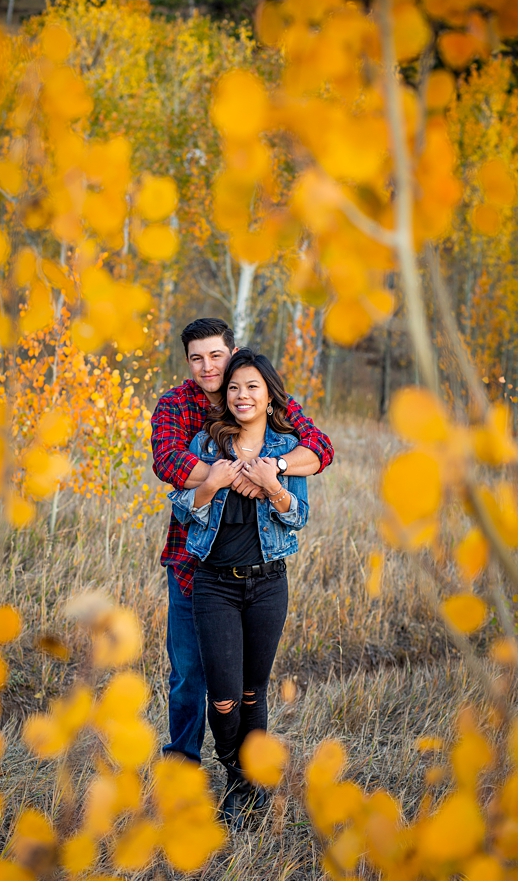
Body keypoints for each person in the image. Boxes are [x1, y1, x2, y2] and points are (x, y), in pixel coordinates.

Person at [151, 318, 332, 766]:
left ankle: (243, 774)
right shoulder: (177, 407)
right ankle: (183, 764)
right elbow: (170, 465)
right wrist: (226, 476)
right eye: (197, 358)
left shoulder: (261, 396)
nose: (207, 366)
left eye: (216, 355)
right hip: (193, 561)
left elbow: (319, 449)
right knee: (190, 673)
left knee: (248, 684)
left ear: (232, 353)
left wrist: (273, 473)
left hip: (259, 570)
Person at [167, 350, 310, 826]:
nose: (241, 395)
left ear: (269, 396)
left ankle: (243, 785)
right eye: (234, 388)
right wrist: (214, 483)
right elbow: (185, 510)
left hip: (268, 585)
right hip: (214, 587)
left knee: (253, 692)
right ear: (225, 398)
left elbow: (299, 516)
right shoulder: (207, 445)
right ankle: (234, 766)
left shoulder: (286, 450)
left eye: (252, 387)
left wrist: (273, 483)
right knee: (223, 697)